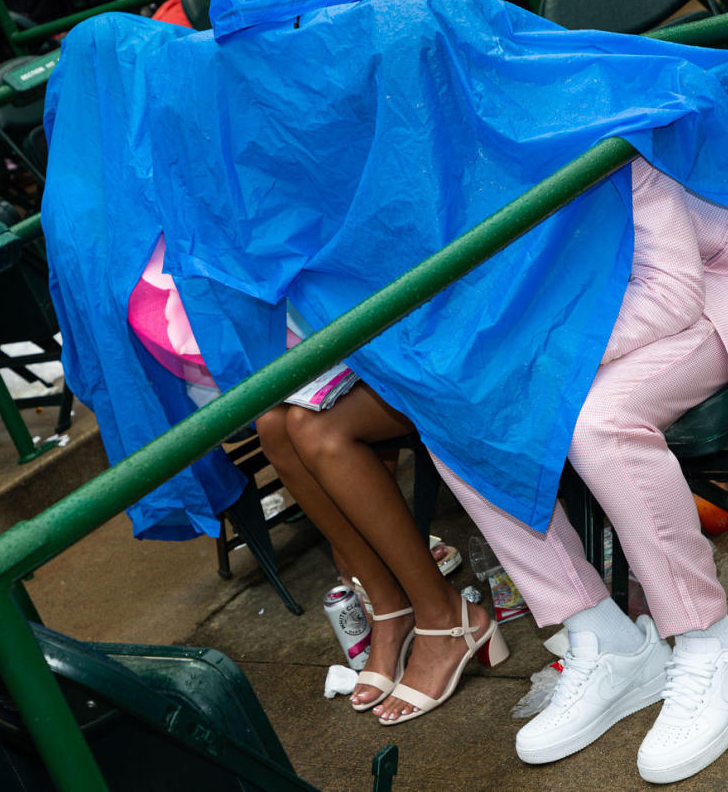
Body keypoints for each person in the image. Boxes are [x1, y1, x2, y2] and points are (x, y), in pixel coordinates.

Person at [429, 158, 728, 783]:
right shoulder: (465, 149)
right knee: (456, 426)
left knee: (599, 425)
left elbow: (673, 293)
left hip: (714, 291)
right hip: (585, 329)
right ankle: (603, 636)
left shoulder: (594, 119)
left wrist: (548, 364)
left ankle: (716, 644)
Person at [126, 234, 509, 725]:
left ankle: (445, 616)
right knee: (274, 426)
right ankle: (391, 608)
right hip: (368, 326)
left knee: (316, 432)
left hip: (432, 315)